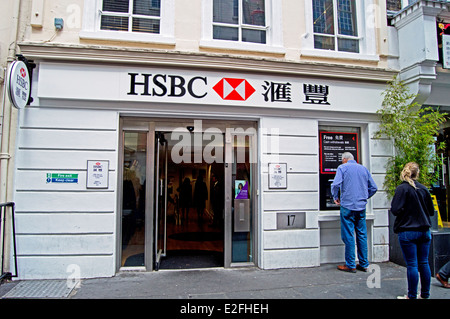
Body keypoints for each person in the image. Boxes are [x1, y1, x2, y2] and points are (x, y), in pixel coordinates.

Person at [390, 162, 434, 299]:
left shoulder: (402, 189)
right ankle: (425, 294)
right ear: (417, 173)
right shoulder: (423, 189)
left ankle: (411, 295)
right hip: (424, 230)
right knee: (424, 262)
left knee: (412, 264)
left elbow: (395, 210)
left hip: (408, 231)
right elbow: (431, 211)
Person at [331, 152, 378, 273]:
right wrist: (364, 197)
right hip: (361, 207)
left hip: (347, 206)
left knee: (349, 235)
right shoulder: (363, 169)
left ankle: (351, 264)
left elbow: (335, 184)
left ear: (344, 160)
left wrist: (336, 197)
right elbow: (374, 187)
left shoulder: (342, 168)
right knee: (362, 234)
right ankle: (363, 264)